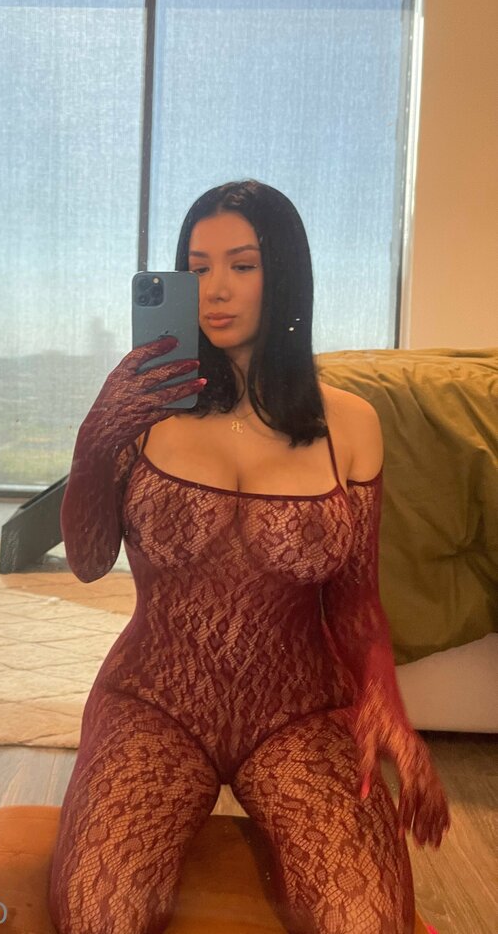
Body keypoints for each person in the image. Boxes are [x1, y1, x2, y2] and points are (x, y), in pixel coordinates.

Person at [46, 180, 450, 934]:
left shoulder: (351, 424)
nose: (215, 290)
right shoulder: (142, 413)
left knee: (367, 922)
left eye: (242, 264)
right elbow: (88, 560)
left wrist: (388, 708)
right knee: (99, 914)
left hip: (300, 710)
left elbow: (356, 602)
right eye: (197, 268)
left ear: (284, 273)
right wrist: (97, 435)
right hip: (155, 699)